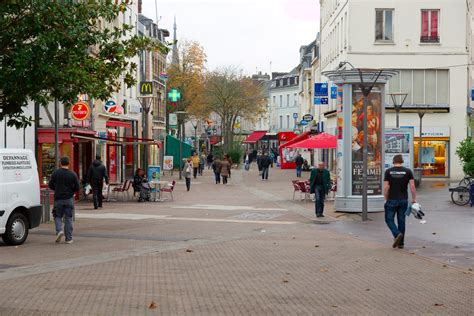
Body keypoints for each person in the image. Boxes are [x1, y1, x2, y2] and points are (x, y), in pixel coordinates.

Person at [383, 154, 416, 249]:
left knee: (389, 219)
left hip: (391, 199)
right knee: (401, 221)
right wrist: (414, 199)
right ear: (402, 161)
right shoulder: (408, 171)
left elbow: (386, 187)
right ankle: (401, 243)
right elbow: (412, 187)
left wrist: (386, 198)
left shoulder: (388, 172)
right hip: (403, 200)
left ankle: (397, 234)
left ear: (393, 161)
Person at [48, 156, 80, 244]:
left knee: (57, 216)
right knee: (68, 218)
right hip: (69, 199)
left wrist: (57, 189)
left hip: (58, 198)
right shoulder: (73, 174)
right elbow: (77, 187)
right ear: (68, 163)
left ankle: (59, 231)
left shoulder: (55, 173)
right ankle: (68, 238)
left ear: (60, 163)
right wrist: (71, 191)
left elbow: (50, 185)